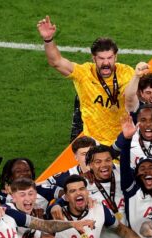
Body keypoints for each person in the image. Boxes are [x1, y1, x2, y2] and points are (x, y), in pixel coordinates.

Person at [37, 16, 135, 145]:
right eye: (101, 58)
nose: (106, 63)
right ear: (94, 59)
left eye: (109, 58)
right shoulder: (85, 73)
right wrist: (48, 39)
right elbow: (57, 62)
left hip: (123, 139)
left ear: (115, 57)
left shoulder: (127, 72)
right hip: (93, 143)